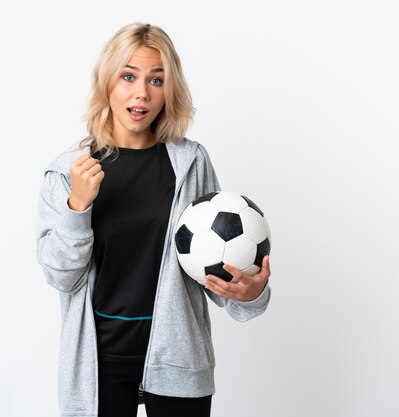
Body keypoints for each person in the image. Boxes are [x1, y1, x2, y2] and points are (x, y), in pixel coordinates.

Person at [36, 22, 271, 417]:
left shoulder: (190, 163)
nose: (142, 92)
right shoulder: (67, 173)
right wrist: (78, 206)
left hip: (177, 357)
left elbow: (208, 260)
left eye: (156, 80)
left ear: (170, 89)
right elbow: (61, 276)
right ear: (106, 82)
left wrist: (250, 295)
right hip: (99, 363)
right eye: (128, 76)